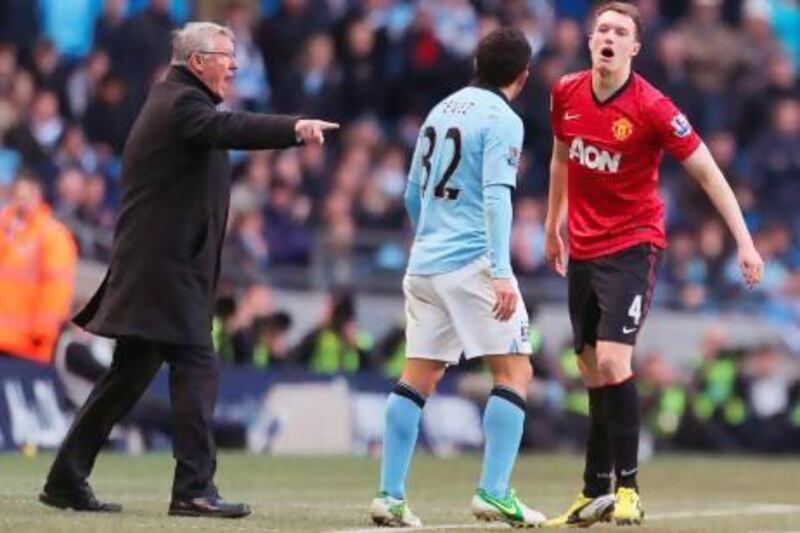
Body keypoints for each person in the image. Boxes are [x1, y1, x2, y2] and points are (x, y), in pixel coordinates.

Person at [39, 21, 338, 519]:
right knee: (197, 367)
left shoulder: (177, 103)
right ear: (197, 62)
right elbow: (231, 128)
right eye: (226, 55)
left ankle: (66, 478)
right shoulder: (181, 105)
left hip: (164, 268)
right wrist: (293, 128)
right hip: (166, 271)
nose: (235, 65)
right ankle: (194, 489)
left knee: (127, 379)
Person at [543, 2, 764, 527]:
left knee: (616, 363)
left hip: (632, 246)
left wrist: (745, 242)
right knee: (592, 371)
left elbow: (709, 174)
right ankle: (592, 490)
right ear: (589, 39)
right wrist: (555, 222)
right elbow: (560, 156)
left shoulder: (654, 108)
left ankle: (628, 489)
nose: (609, 38)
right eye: (603, 29)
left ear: (635, 48)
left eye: (621, 32)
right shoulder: (565, 93)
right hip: (583, 246)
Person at [368, 27, 546, 528]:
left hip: (424, 263)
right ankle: (494, 492)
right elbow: (497, 197)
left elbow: (410, 193)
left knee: (417, 376)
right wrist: (503, 272)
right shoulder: (503, 120)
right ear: (523, 76)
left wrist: (429, 237)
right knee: (515, 372)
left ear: (476, 63)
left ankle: (390, 495)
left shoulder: (441, 110)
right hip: (472, 264)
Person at [0, 172, 77, 364]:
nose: (21, 202)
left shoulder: (52, 235)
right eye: (17, 196)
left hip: (27, 346)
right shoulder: (4, 228)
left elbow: (57, 287)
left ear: (37, 197)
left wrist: (43, 332)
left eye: (26, 196)